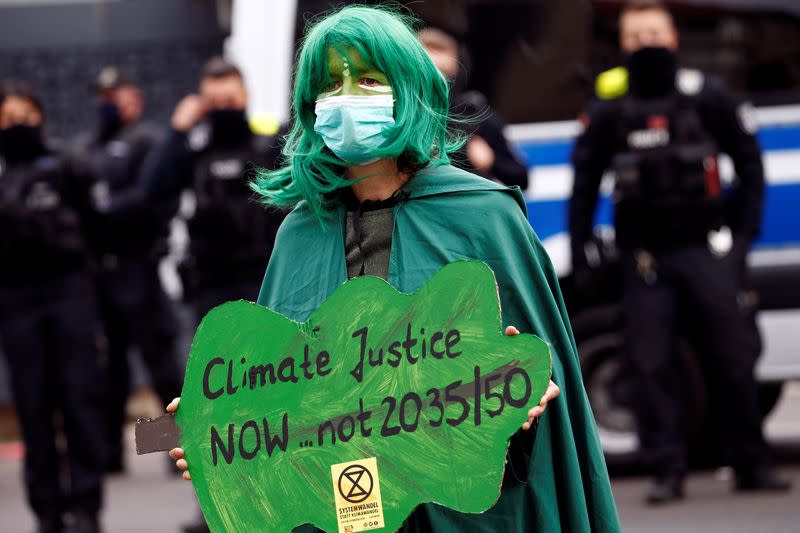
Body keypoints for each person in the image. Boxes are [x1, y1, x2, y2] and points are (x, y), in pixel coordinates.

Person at [168, 6, 620, 532]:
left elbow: (543, 391)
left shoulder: (485, 218)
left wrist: (526, 400)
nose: (346, 97)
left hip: (459, 512)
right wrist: (221, 431)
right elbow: (289, 392)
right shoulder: (300, 234)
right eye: (329, 83)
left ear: (407, 88)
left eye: (366, 79)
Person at [569, 0, 791, 505]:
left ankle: (751, 462)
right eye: (635, 36)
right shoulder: (611, 110)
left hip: (706, 249)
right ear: (623, 46)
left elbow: (751, 167)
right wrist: (582, 248)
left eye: (653, 33)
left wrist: (741, 242)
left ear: (672, 39)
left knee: (734, 357)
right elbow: (585, 183)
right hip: (644, 258)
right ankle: (667, 470)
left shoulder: (707, 97)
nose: (645, 43)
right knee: (648, 365)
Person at [0, 81, 106, 533]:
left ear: (40, 118)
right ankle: (46, 511)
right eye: (8, 118)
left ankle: (86, 507)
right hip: (17, 301)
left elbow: (97, 226)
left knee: (80, 401)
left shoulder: (67, 167)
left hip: (69, 293)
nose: (18, 124)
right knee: (33, 407)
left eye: (26, 115)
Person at [69, 67, 183, 474]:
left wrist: (109, 207)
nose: (110, 103)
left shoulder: (146, 141)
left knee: (161, 365)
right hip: (101, 274)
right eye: (104, 96)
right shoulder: (86, 147)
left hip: (140, 269)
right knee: (109, 369)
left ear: (135, 98)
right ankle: (109, 455)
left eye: (117, 95)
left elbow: (149, 200)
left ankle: (173, 452)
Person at [139, 57, 284, 322]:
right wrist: (177, 130)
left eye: (229, 100)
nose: (223, 108)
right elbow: (151, 191)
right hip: (211, 283)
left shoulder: (270, 142)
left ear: (245, 95)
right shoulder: (194, 150)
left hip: (267, 278)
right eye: (214, 102)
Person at [417, 26, 528, 189]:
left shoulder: (478, 117)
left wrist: (491, 161)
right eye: (427, 73)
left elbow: (520, 178)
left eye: (442, 73)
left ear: (455, 68)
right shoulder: (405, 118)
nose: (437, 86)